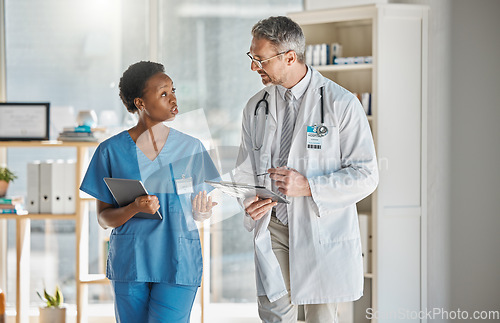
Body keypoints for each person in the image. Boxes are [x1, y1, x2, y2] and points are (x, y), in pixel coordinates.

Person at [235, 16, 379, 322]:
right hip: (272, 226)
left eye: (260, 59)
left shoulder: (341, 103)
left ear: (289, 57)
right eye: (252, 57)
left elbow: (366, 175)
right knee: (275, 314)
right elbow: (245, 168)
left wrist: (309, 186)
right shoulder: (255, 106)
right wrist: (249, 201)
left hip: (319, 226)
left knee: (321, 317)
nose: (254, 67)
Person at [80, 61, 220, 322]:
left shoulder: (191, 148)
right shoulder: (110, 151)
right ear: (140, 103)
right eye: (163, 93)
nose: (173, 98)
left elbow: (201, 210)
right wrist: (134, 207)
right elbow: (103, 218)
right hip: (132, 263)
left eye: (173, 90)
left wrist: (202, 213)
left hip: (179, 260)